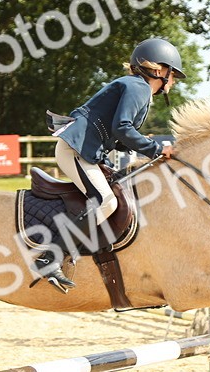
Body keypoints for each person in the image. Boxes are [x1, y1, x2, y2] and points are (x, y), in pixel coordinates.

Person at [40, 37, 183, 292]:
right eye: (173, 75)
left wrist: (143, 147)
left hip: (86, 150)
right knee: (107, 201)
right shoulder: (138, 88)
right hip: (76, 149)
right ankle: (50, 257)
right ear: (160, 71)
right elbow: (122, 127)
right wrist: (156, 149)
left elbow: (115, 134)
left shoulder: (136, 87)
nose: (173, 81)